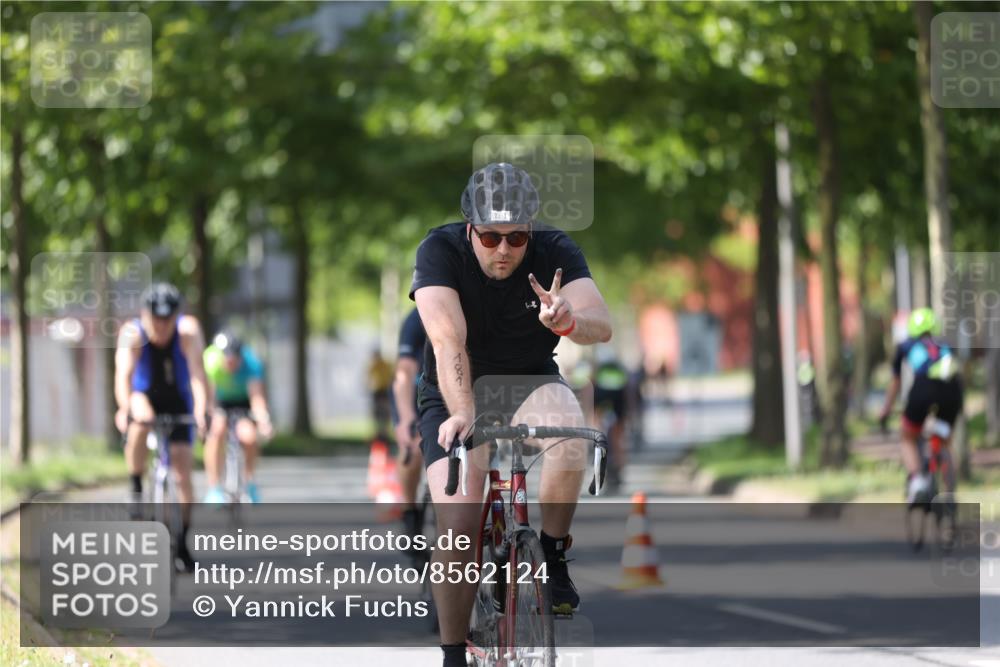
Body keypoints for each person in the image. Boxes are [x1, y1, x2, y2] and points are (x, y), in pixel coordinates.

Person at [410, 162, 612, 667]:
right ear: (470, 228)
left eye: (517, 237)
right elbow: (446, 339)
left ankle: (552, 554)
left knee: (572, 436)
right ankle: (453, 652)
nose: (504, 249)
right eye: (492, 236)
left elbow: (600, 324)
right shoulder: (439, 251)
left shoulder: (555, 251)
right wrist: (463, 413)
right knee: (458, 522)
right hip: (457, 389)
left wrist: (569, 321)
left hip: (529, 378)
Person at [114, 283, 209, 571]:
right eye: (156, 319)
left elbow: (197, 375)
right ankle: (136, 485)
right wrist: (124, 408)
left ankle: (182, 541)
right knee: (141, 418)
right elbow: (124, 377)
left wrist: (202, 410)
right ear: (145, 314)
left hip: (178, 399)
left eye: (168, 320)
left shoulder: (188, 331)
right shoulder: (132, 334)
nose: (162, 326)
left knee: (183, 474)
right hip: (144, 394)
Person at [878, 308, 965, 504]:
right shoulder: (945, 345)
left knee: (908, 436)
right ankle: (950, 493)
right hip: (951, 391)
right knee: (945, 441)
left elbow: (895, 382)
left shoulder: (906, 345)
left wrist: (885, 410)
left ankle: (917, 482)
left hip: (923, 388)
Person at [202, 330, 273, 504]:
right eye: (227, 360)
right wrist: (207, 416)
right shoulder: (210, 362)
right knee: (217, 431)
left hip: (242, 403)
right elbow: (208, 397)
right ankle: (214, 487)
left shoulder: (251, 364)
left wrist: (263, 421)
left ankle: (249, 482)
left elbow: (257, 398)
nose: (230, 364)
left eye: (234, 360)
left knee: (249, 437)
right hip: (220, 402)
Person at [391, 308, 428, 541]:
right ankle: (409, 511)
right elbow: (404, 371)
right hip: (412, 393)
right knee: (412, 450)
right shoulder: (416, 319)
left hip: (452, 392)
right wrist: (406, 418)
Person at [592, 346, 629, 491]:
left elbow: (591, 388)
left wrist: (593, 415)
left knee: (603, 435)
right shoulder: (618, 369)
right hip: (617, 403)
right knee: (618, 438)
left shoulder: (599, 370)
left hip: (603, 401)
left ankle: (607, 468)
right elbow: (627, 390)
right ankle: (619, 468)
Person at [367, 349, 394, 438]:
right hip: (378, 391)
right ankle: (378, 431)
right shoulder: (374, 365)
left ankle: (384, 431)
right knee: (377, 412)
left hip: (384, 390)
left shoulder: (383, 364)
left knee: (384, 411)